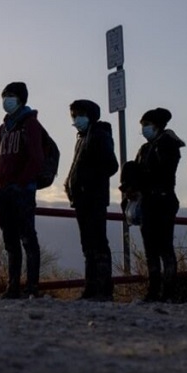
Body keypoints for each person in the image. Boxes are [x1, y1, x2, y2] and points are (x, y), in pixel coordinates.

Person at [120, 108, 184, 302]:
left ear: (157, 125)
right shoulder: (145, 148)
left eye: (146, 125)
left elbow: (163, 172)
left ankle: (168, 292)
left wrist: (141, 181)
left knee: (164, 247)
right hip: (148, 201)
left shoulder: (168, 145)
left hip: (163, 200)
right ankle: (154, 290)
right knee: (151, 249)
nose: (144, 129)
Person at [64, 99, 119, 301]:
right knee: (88, 244)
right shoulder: (82, 137)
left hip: (94, 198)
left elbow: (111, 165)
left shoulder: (99, 135)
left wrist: (89, 181)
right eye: (73, 115)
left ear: (90, 115)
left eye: (79, 114)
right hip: (82, 198)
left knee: (97, 243)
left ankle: (103, 290)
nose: (76, 118)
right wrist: (70, 183)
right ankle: (91, 288)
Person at [0, 82, 44, 299]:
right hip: (3, 190)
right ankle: (13, 286)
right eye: (4, 96)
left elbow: (37, 158)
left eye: (11, 96)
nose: (7, 100)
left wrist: (22, 182)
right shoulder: (2, 128)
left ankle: (32, 286)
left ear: (21, 99)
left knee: (27, 238)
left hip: (23, 191)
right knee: (10, 240)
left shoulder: (30, 124)